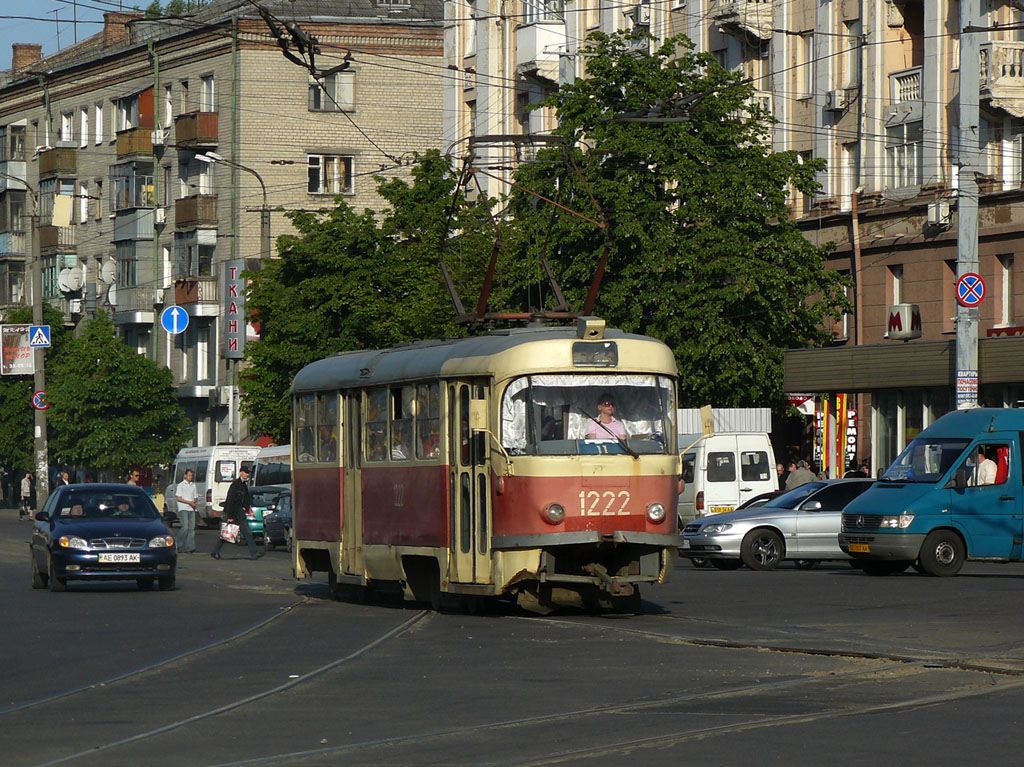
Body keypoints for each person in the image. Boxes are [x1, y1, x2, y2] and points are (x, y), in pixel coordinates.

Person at [210, 465, 263, 560]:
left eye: (248, 473)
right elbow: (230, 501)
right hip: (233, 513)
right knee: (227, 534)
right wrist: (230, 516)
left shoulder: (243, 485)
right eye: (246, 473)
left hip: (240, 513)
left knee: (247, 533)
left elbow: (246, 499)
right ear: (241, 473)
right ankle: (215, 551)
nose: (247, 475)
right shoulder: (235, 485)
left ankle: (254, 553)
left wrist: (246, 508)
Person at [175, 468, 199, 554]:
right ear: (185, 475)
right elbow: (179, 498)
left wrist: (195, 502)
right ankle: (177, 544)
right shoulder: (181, 485)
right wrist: (189, 502)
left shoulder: (193, 485)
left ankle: (190, 547)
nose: (190, 477)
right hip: (183, 508)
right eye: (189, 475)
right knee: (185, 527)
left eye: (191, 476)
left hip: (191, 508)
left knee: (191, 529)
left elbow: (195, 496)